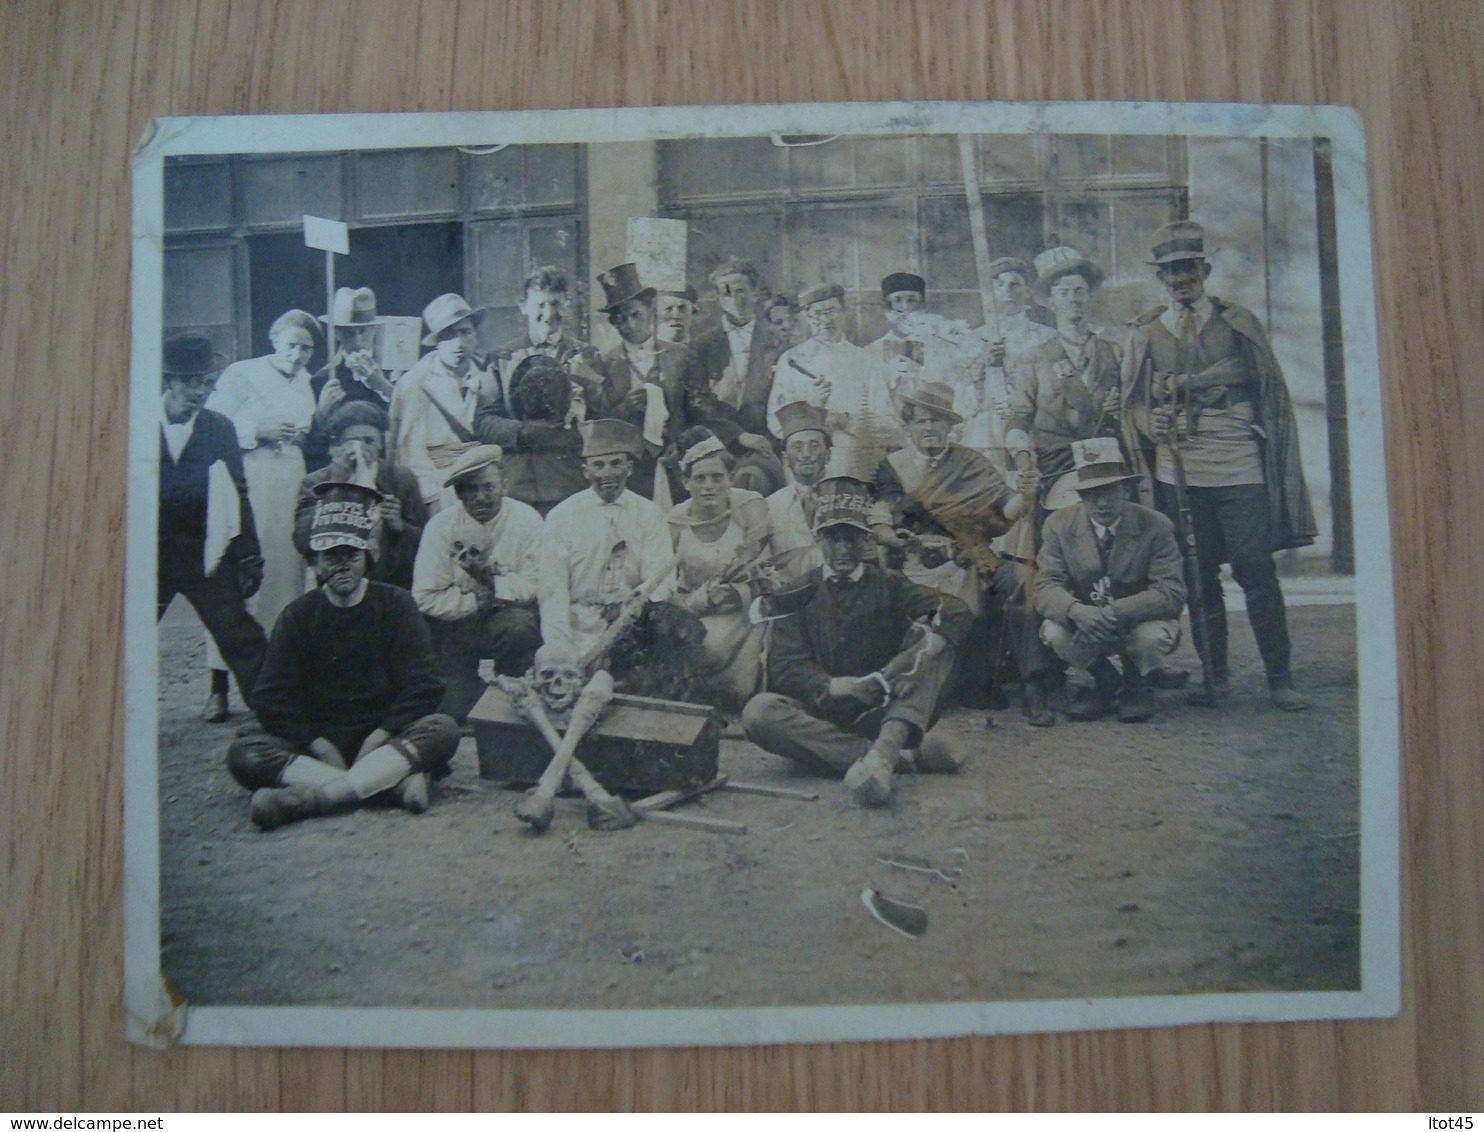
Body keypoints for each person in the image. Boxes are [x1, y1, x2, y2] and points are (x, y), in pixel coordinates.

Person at [1121, 220, 1317, 711]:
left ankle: (1279, 677)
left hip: (1236, 462)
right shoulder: (1147, 332)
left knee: (1255, 568)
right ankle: (1218, 677)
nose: (1179, 279)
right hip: (1178, 471)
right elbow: (1132, 407)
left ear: (1204, 270)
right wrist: (1153, 425)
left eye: (1187, 268)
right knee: (1197, 573)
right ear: (1159, 278)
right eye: (1169, 272)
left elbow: (1269, 392)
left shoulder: (1237, 323)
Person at [228, 482, 459, 830]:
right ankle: (390, 786)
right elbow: (270, 696)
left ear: (366, 556)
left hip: (385, 739)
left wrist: (379, 736)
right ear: (316, 563)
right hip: (319, 742)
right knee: (244, 752)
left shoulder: (395, 604)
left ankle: (312, 798)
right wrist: (318, 744)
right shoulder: (298, 616)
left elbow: (425, 684)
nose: (342, 567)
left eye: (351, 555)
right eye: (330, 557)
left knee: (443, 728)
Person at [740, 478, 972, 807]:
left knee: (936, 647)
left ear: (865, 540)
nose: (843, 549)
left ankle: (884, 748)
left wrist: (930, 643)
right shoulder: (798, 592)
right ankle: (893, 758)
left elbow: (957, 611)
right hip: (822, 716)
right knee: (757, 713)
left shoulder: (890, 584)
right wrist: (834, 686)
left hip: (885, 709)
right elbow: (786, 667)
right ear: (818, 539)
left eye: (851, 538)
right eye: (833, 538)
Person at [873, 382, 1031, 707]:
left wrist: (1026, 495)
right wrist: (896, 539)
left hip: (968, 555)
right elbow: (884, 516)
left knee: (1020, 580)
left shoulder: (969, 464)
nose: (929, 427)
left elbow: (1007, 507)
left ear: (949, 426)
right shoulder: (893, 466)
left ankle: (1034, 681)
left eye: (936, 420)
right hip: (912, 561)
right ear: (908, 427)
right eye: (920, 421)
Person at [197, 311, 318, 720]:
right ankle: (218, 687)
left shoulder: (306, 382)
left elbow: (303, 429)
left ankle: (277, 678)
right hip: (250, 478)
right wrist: (256, 430)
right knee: (239, 575)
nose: (298, 355)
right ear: (274, 340)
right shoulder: (240, 374)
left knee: (286, 576)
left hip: (290, 480)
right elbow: (213, 423)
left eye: (306, 348)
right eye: (291, 345)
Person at [539, 419, 705, 700]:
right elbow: (552, 591)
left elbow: (661, 578)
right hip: (579, 621)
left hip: (631, 620)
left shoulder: (648, 513)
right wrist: (561, 648)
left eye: (616, 464)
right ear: (585, 470)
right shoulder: (562, 517)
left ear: (629, 467)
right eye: (599, 465)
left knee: (678, 626)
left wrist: (635, 604)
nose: (608, 474)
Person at [1035, 438, 1186, 723]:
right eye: (1092, 494)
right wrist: (1076, 611)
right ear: (1080, 495)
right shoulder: (1059, 525)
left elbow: (1171, 592)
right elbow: (1046, 586)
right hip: (1087, 623)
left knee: (1151, 637)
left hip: (1137, 622)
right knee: (1052, 630)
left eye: (1110, 490)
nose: (1101, 502)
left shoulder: (1156, 525)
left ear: (1125, 488)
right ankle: (1104, 679)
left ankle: (1135, 685)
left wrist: (1115, 612)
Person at [157, 333, 268, 714]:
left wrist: (249, 555)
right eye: (191, 382)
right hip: (149, 560)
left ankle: (282, 721)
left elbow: (239, 494)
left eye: (207, 383)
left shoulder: (220, 428)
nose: (200, 391)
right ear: (168, 380)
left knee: (242, 637)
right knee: (118, 641)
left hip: (204, 555)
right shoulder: (134, 423)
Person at [412, 444, 544, 721]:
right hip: (457, 624)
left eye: (488, 487)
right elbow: (424, 596)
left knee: (519, 626)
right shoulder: (440, 527)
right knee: (456, 710)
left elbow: (535, 584)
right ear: (458, 493)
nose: (480, 497)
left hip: (508, 618)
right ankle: (462, 686)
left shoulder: (527, 521)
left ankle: (511, 682)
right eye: (470, 489)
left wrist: (493, 584)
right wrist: (474, 601)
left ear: (504, 484)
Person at [1003, 246, 1125, 530]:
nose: (1073, 300)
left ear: (1090, 296)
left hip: (1105, 467)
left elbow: (1131, 411)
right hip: (1057, 468)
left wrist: (1118, 413)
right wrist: (1024, 463)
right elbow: (1017, 418)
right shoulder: (1033, 358)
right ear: (1050, 302)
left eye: (1079, 291)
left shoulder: (1114, 352)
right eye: (1064, 292)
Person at [592, 262, 718, 504]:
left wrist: (679, 444)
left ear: (650, 309)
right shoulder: (605, 364)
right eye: (619, 319)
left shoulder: (682, 356)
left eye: (635, 314)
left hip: (678, 466)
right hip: (632, 476)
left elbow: (702, 413)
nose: (629, 325)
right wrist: (627, 407)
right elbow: (602, 424)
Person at [666, 428, 773, 708]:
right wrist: (694, 602)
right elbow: (663, 584)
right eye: (699, 478)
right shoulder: (675, 521)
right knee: (701, 646)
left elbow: (762, 565)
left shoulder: (749, 506)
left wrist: (737, 594)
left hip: (746, 616)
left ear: (729, 479)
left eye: (717, 477)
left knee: (738, 690)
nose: (709, 486)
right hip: (697, 613)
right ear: (685, 482)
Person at [767, 283, 904, 478]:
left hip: (855, 462)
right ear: (805, 317)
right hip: (806, 464)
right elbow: (775, 424)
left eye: (832, 311)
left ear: (844, 312)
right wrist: (811, 409)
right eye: (817, 313)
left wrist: (847, 421)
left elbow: (891, 428)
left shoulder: (866, 360)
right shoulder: (792, 361)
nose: (826, 320)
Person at [295, 401, 428, 590]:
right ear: (339, 445)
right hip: (336, 585)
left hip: (391, 585)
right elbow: (302, 540)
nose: (363, 449)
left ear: (381, 443)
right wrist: (335, 486)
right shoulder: (315, 483)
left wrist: (400, 527)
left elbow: (426, 543)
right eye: (354, 441)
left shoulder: (401, 480)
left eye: (370, 441)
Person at [389, 293, 498, 513]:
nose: (458, 343)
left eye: (465, 332)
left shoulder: (488, 375)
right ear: (437, 342)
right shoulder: (416, 382)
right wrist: (431, 499)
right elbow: (411, 452)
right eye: (448, 335)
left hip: (482, 485)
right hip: (441, 486)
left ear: (475, 336)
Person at [690, 257, 787, 495]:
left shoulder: (777, 341)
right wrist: (738, 435)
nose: (735, 299)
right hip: (718, 442)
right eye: (725, 293)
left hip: (766, 443)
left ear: (755, 293)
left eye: (741, 291)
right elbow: (698, 401)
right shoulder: (702, 345)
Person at [476, 354, 588, 514]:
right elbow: (483, 422)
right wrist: (522, 432)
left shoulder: (580, 352)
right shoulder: (501, 359)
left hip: (565, 478)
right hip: (519, 481)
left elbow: (600, 414)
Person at [307, 286, 396, 470]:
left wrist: (383, 386)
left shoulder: (396, 373)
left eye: (362, 330)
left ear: (374, 329)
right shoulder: (323, 380)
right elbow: (314, 446)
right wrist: (321, 413)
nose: (356, 340)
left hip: (387, 470)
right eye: (348, 332)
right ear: (337, 333)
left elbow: (411, 418)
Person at [765, 401, 835, 583]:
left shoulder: (846, 496)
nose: (806, 454)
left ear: (828, 455)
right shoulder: (770, 507)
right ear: (785, 458)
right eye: (797, 447)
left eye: (814, 446)